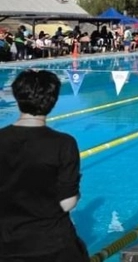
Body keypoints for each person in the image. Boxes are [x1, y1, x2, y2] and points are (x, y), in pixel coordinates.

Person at [0, 70, 88, 261]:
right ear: (53, 101)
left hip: (6, 245)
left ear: (17, 97)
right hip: (53, 246)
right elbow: (67, 203)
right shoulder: (63, 144)